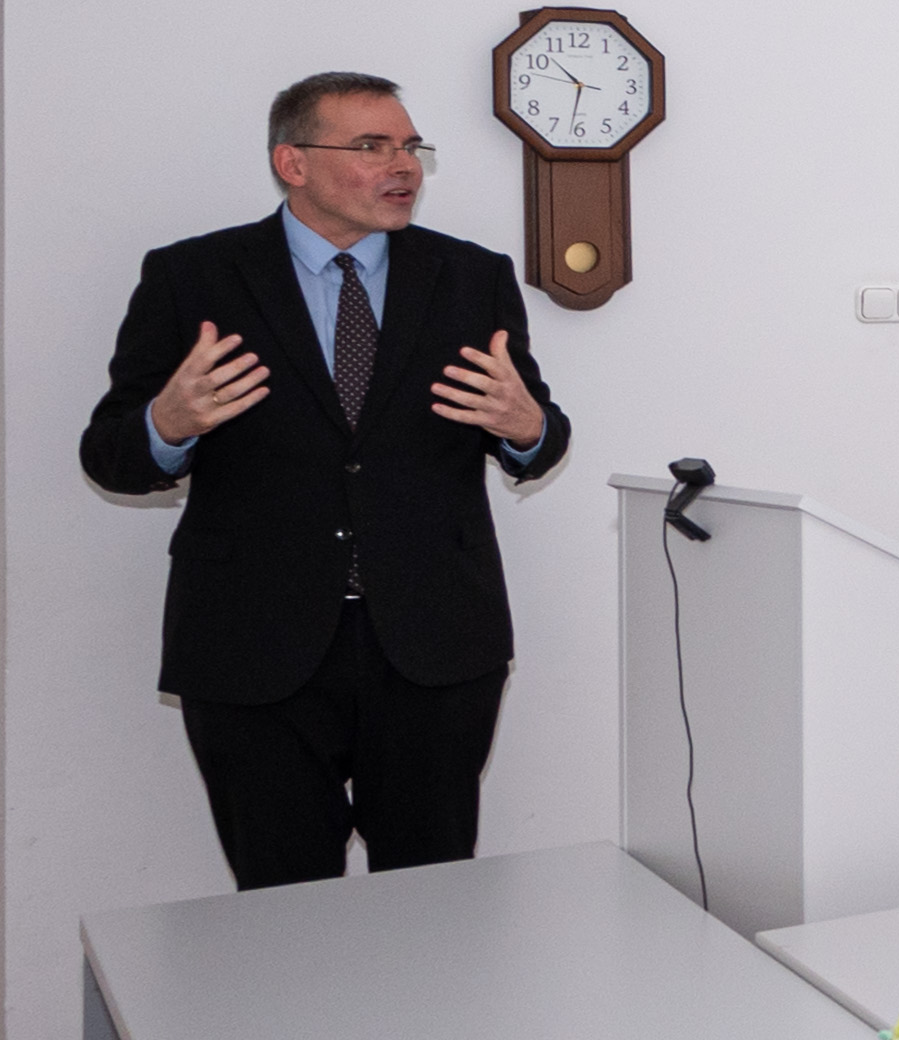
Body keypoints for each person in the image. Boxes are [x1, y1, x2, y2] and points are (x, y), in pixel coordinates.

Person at [81, 71, 572, 890]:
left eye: (410, 146)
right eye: (372, 146)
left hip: (433, 643)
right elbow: (109, 454)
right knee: (282, 907)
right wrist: (167, 423)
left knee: (431, 903)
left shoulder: (470, 277)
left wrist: (529, 429)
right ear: (293, 162)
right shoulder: (193, 277)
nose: (403, 165)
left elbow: (536, 434)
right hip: (252, 644)